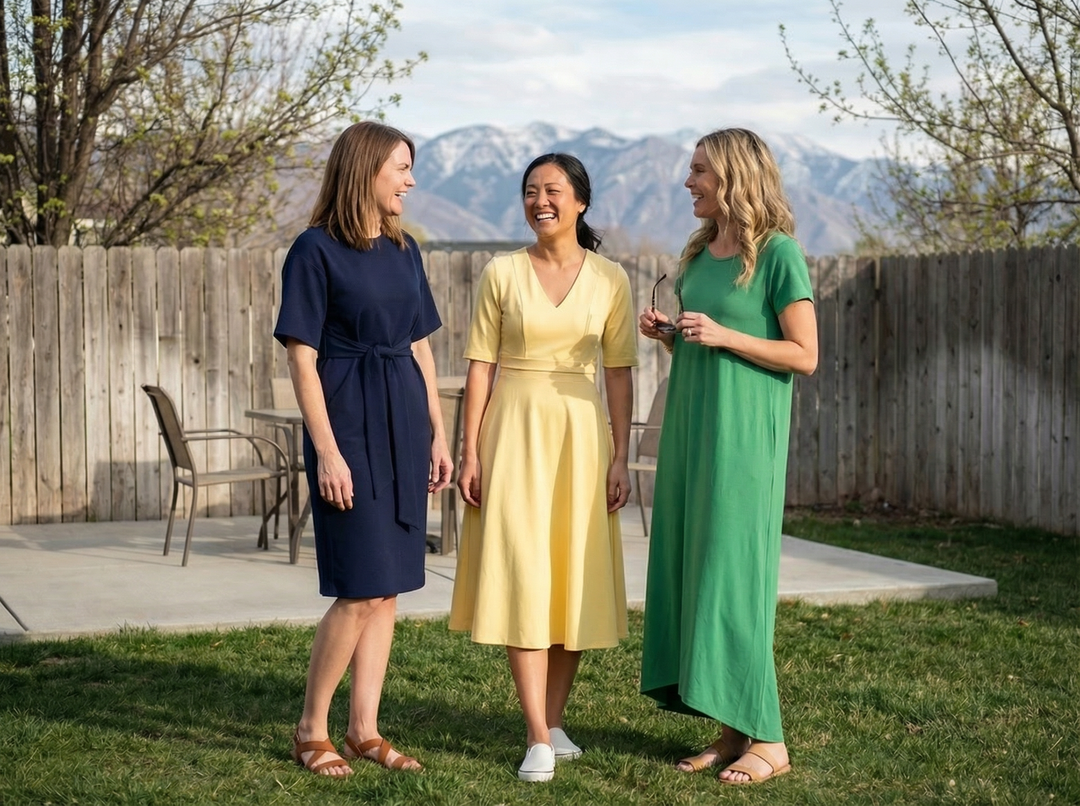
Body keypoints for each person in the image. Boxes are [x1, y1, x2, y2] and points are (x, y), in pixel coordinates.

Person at [448, 153, 638, 783]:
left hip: (581, 437)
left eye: (552, 190)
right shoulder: (500, 272)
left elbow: (618, 374)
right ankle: (535, 734)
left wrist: (620, 456)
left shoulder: (612, 277)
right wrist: (470, 450)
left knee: (572, 574)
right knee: (524, 572)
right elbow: (481, 366)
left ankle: (554, 720)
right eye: (530, 191)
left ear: (581, 200)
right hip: (514, 432)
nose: (540, 201)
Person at [638, 128, 818, 785]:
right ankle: (729, 728)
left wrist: (722, 334)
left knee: (733, 579)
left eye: (699, 172)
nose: (688, 182)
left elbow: (805, 354)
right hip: (692, 433)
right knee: (698, 573)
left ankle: (769, 739)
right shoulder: (697, 254)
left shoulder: (778, 255)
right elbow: (704, 347)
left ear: (734, 176)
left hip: (743, 442)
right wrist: (672, 337)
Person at [274, 121, 453, 776]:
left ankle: (364, 730)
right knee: (359, 586)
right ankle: (310, 730)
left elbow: (419, 343)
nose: (410, 180)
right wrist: (326, 450)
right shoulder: (313, 251)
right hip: (347, 423)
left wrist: (437, 430)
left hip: (403, 423)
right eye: (402, 167)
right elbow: (302, 356)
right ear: (367, 169)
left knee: (390, 589)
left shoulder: (405, 251)